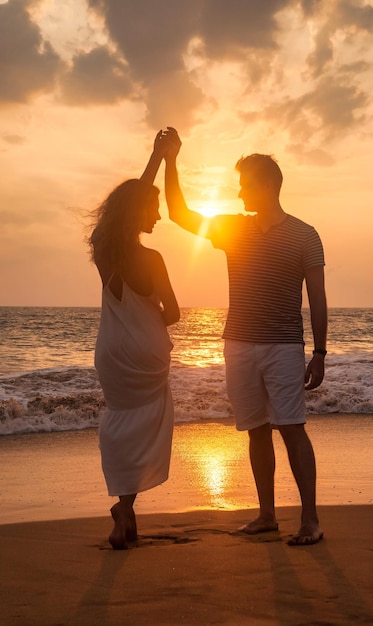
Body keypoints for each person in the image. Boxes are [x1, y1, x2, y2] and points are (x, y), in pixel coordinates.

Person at [162, 127, 327, 545]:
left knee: (292, 427)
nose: (240, 195)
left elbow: (318, 297)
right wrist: (171, 160)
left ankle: (310, 520)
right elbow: (180, 214)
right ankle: (267, 515)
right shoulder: (232, 229)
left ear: (268, 185)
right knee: (255, 429)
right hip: (237, 343)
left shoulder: (305, 235)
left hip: (284, 346)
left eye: (246, 186)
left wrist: (320, 351)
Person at [89, 132, 180, 549]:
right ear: (140, 209)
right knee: (146, 425)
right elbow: (174, 313)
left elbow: (118, 217)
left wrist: (155, 156)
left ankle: (125, 509)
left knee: (120, 421)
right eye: (155, 207)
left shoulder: (106, 252)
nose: (158, 215)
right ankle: (127, 506)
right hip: (148, 355)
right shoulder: (154, 259)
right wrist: (153, 324)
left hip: (111, 354)